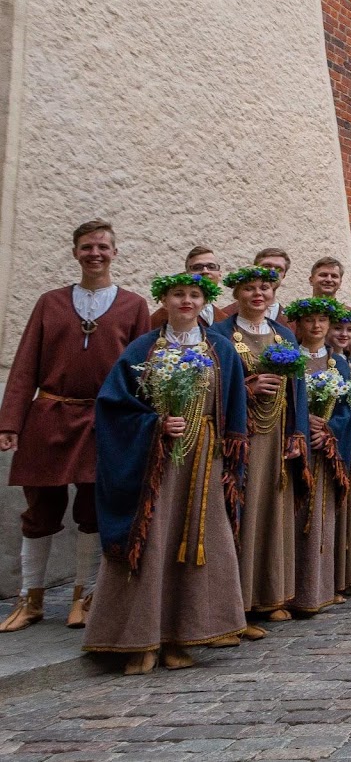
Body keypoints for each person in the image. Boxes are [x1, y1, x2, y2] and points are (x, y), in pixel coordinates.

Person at [82, 272, 249, 674]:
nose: (186, 301)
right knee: (154, 541)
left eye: (194, 295)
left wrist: (231, 457)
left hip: (203, 462)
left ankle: (183, 636)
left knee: (195, 541)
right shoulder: (143, 348)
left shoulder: (221, 350)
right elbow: (113, 405)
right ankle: (141, 640)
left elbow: (234, 407)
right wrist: (155, 424)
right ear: (165, 300)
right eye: (178, 295)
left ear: (204, 302)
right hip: (154, 465)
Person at [1, 219, 151, 634]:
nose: (95, 254)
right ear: (75, 253)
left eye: (103, 246)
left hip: (103, 421)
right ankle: (30, 599)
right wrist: (10, 422)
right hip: (49, 417)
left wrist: (138, 424)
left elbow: (142, 369)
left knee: (92, 509)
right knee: (40, 510)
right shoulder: (50, 302)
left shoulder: (133, 305)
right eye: (87, 247)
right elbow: (25, 363)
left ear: (115, 253)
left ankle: (84, 597)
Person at [213, 265, 306, 637]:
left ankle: (271, 595)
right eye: (249, 288)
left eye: (265, 288)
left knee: (272, 512)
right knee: (241, 514)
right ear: (236, 294)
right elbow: (215, 381)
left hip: (277, 434)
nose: (258, 294)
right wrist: (246, 389)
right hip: (242, 437)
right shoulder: (221, 333)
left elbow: (298, 388)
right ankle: (238, 605)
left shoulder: (283, 334)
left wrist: (297, 433)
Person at [284, 298, 351, 616]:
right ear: (298, 325)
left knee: (321, 519)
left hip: (325, 449)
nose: (316, 326)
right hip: (295, 450)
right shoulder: (287, 359)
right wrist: (301, 422)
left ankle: (319, 588)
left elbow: (347, 409)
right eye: (310, 320)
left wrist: (328, 427)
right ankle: (287, 589)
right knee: (292, 514)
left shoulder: (338, 364)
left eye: (322, 321)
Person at [329, 306, 351, 596]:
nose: (343, 334)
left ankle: (341, 576)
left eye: (349, 330)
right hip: (333, 442)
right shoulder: (330, 362)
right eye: (338, 328)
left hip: (348, 441)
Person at [149, 246, 223, 327]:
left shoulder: (223, 317)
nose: (205, 271)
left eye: (211, 267)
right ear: (186, 274)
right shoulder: (160, 318)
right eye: (197, 267)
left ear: (219, 274)